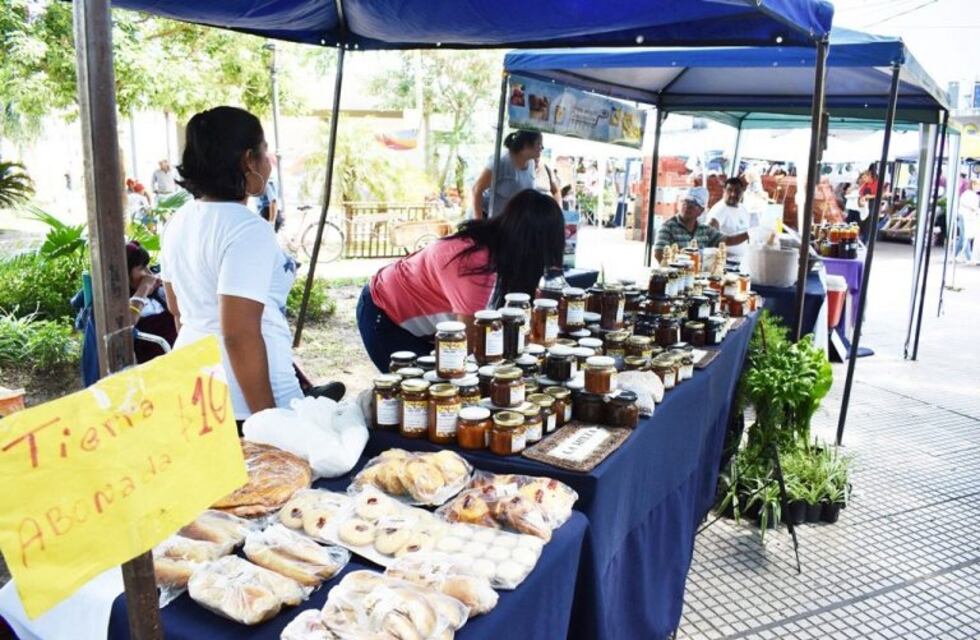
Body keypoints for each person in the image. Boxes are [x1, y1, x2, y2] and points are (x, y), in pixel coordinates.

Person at [161, 106, 342, 426]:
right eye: (265, 151)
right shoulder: (246, 229)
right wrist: (269, 421)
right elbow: (239, 333)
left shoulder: (179, 221)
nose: (269, 161)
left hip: (197, 394)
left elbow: (177, 310)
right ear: (248, 159)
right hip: (248, 402)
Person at [357, 189, 565, 372]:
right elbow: (470, 349)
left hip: (426, 326)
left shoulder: (504, 255)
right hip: (384, 315)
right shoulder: (475, 262)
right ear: (533, 245)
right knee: (417, 394)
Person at [654, 187, 749, 264]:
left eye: (694, 204)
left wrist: (749, 234)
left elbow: (727, 240)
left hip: (697, 277)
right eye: (685, 202)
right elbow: (658, 254)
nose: (687, 206)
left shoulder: (704, 230)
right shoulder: (668, 227)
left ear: (701, 211)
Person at [125, 241, 178, 363]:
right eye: (141, 268)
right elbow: (127, 325)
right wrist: (143, 289)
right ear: (125, 273)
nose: (149, 273)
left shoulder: (158, 294)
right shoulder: (121, 302)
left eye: (148, 267)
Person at [471, 130, 542, 219]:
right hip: (487, 217)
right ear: (526, 145)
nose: (542, 148)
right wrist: (478, 223)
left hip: (506, 221)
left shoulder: (531, 163)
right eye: (538, 144)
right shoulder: (502, 161)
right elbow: (476, 189)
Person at [701, 177, 751, 258]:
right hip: (725, 261)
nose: (733, 194)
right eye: (729, 190)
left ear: (742, 192)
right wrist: (747, 235)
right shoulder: (719, 210)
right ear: (724, 191)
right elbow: (711, 238)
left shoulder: (743, 208)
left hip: (740, 259)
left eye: (737, 191)